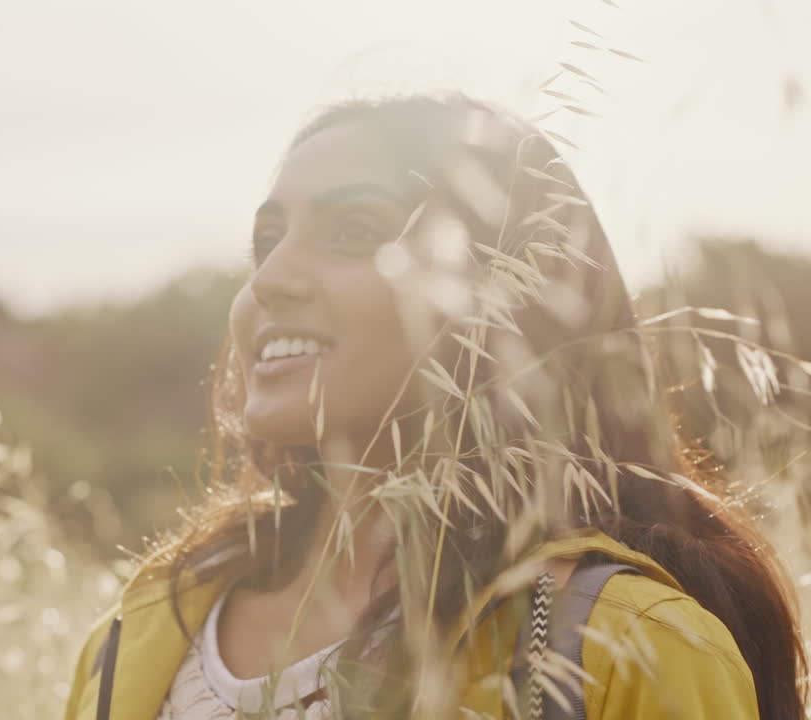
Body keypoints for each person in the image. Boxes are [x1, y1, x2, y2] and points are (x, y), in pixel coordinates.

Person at [62, 94, 807, 719]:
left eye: (355, 234)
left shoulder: (628, 646)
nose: (270, 280)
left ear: (504, 300)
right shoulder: (135, 634)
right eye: (267, 241)